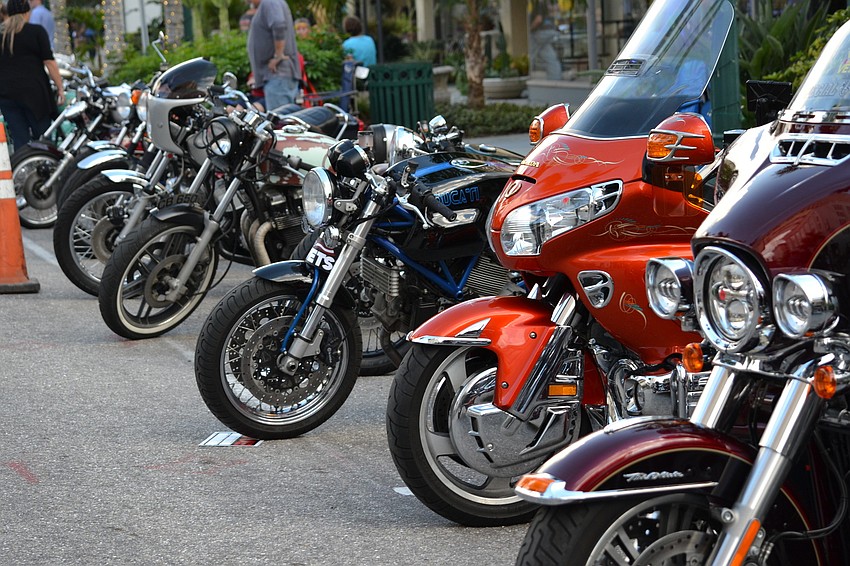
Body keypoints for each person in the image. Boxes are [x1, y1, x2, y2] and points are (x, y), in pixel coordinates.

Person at [0, 0, 64, 152]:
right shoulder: (36, 32)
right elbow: (50, 62)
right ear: (27, 13)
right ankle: (46, 165)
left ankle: (22, 165)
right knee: (43, 138)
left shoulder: (1, 35)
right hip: (35, 95)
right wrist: (60, 88)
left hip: (7, 94)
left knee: (19, 139)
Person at [247, 0, 300, 112]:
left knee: (279, 119)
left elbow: (279, 25)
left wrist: (278, 56)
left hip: (278, 75)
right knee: (281, 119)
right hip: (277, 77)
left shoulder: (270, 2)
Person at [529, 0, 561, 80]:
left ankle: (524, 76)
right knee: (550, 57)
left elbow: (538, 19)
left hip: (540, 33)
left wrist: (529, 29)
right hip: (550, 31)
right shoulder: (547, 3)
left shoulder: (539, 4)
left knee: (530, 55)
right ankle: (555, 78)